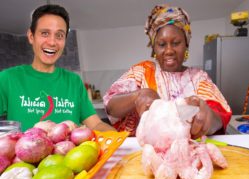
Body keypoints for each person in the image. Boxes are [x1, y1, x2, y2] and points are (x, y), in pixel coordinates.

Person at [103, 5, 232, 138]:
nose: (169, 50)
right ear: (154, 48)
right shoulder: (142, 71)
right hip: (146, 152)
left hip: (188, 151)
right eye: (162, 44)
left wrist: (208, 117)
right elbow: (111, 107)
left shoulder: (198, 77)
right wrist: (137, 96)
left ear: (186, 44)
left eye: (176, 43)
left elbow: (219, 118)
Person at [0, 4, 115, 132]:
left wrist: (118, 139)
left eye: (59, 35)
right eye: (45, 33)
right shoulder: (8, 79)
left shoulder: (74, 81)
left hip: (69, 152)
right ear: (31, 36)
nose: (52, 42)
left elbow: (96, 125)